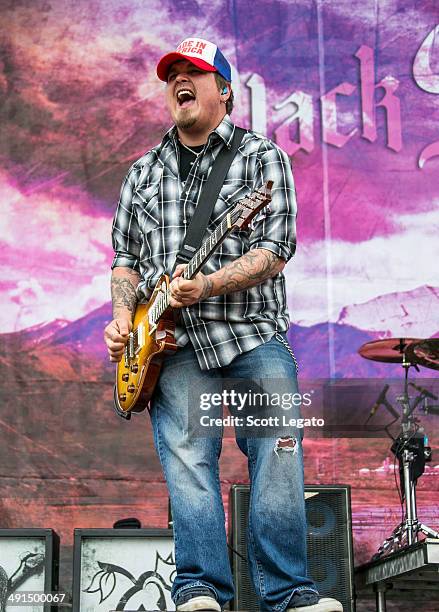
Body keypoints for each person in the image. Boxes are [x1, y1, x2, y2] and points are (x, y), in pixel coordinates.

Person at [104, 37, 343, 612]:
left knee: (278, 449)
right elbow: (124, 260)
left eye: (195, 73)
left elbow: (276, 249)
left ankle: (289, 594)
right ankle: (201, 591)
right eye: (173, 75)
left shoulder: (261, 159)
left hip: (251, 333)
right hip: (172, 342)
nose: (179, 81)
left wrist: (208, 284)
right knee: (189, 461)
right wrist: (121, 320)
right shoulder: (142, 173)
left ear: (226, 91)